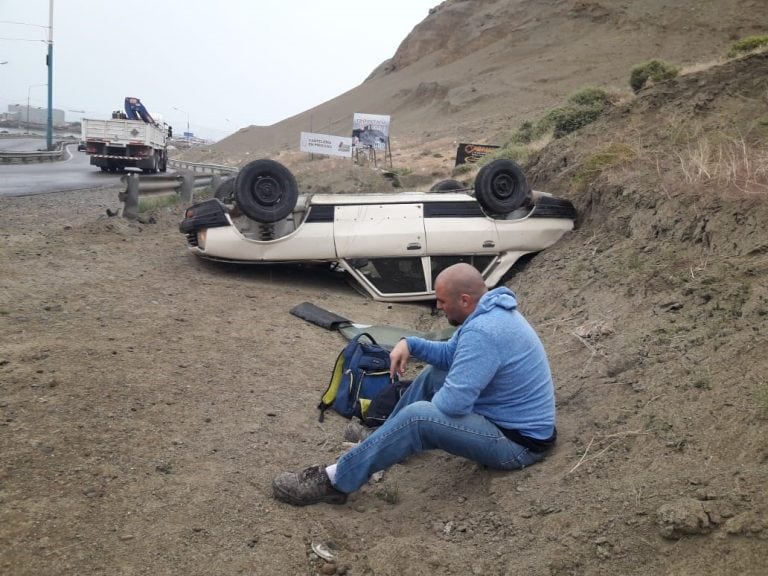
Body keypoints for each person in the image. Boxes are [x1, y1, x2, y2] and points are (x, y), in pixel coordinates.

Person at [272, 263, 557, 506]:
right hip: (509, 422)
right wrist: (410, 343)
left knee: (418, 417)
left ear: (466, 300)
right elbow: (449, 355)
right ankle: (383, 436)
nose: (438, 306)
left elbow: (453, 405)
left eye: (442, 301)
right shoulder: (488, 313)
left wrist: (419, 419)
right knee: (434, 374)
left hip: (518, 445)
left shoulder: (484, 332)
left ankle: (334, 483)